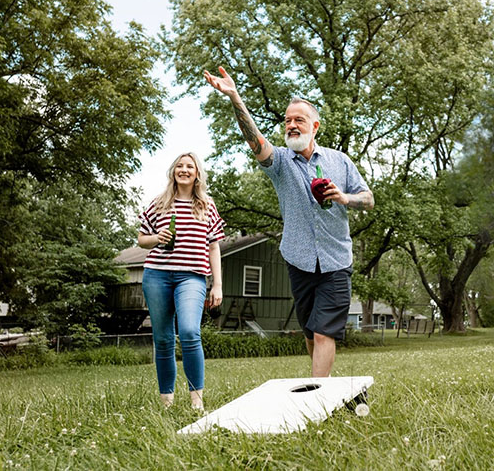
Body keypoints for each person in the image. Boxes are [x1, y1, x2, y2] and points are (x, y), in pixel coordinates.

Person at [204, 66, 374, 377]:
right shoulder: (281, 162)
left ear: (315, 126)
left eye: (299, 120)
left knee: (324, 332)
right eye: (287, 121)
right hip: (300, 260)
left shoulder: (340, 161)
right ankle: (319, 382)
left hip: (336, 260)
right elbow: (255, 140)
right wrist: (234, 97)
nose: (292, 125)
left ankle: (317, 396)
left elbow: (369, 198)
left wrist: (345, 198)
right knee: (311, 332)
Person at [138, 152, 225, 409]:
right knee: (163, 338)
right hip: (157, 274)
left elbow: (214, 247)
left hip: (192, 276)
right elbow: (142, 239)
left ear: (197, 173)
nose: (184, 170)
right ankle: (167, 402)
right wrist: (157, 237)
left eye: (190, 166)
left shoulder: (207, 205)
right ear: (173, 171)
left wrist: (217, 284)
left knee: (189, 331)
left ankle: (196, 402)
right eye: (179, 166)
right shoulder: (160, 203)